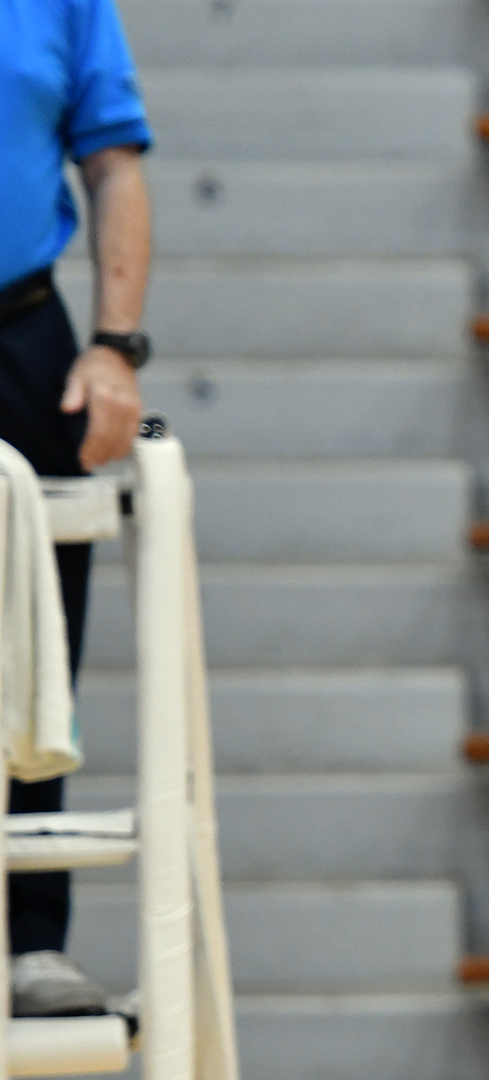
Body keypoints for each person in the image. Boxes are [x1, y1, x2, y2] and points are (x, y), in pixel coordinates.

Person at [1, 0, 153, 1016]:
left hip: (22, 331)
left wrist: (114, 348)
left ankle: (30, 940)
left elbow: (112, 164)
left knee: (34, 630)